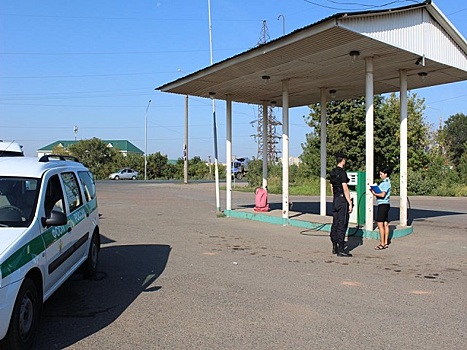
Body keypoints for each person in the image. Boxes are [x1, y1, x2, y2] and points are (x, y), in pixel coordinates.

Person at [329, 153, 353, 257]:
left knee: (335, 222)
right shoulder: (342, 173)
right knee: (342, 223)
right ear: (342, 160)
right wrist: (350, 203)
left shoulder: (333, 172)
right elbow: (345, 188)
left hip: (336, 199)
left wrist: (335, 197)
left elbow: (331, 186)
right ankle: (341, 248)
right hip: (342, 199)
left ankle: (334, 245)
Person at [370, 167, 391, 250]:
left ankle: (382, 243)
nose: (380, 175)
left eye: (381, 174)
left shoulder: (385, 183)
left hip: (382, 204)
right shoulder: (387, 182)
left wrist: (374, 193)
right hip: (386, 204)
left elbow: (382, 195)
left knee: (380, 224)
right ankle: (385, 242)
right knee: (385, 223)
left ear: (386, 174)